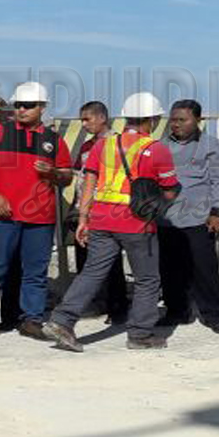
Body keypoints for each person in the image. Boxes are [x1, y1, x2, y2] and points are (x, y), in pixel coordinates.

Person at [46, 92, 180, 352]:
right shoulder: (156, 149)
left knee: (93, 272)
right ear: (151, 120)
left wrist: (84, 218)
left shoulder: (102, 146)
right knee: (147, 280)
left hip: (101, 219)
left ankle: (62, 320)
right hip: (137, 223)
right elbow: (170, 189)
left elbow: (88, 184)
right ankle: (140, 334)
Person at [0, 82, 73, 342]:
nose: (22, 110)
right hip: (3, 214)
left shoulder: (53, 140)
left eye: (28, 105)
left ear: (42, 107)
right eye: (19, 105)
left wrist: (54, 173)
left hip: (40, 217)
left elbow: (67, 176)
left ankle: (31, 320)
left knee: (35, 273)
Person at [156, 99, 219, 335]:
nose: (176, 124)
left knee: (204, 268)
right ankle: (177, 311)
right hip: (166, 218)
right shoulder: (160, 146)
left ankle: (213, 315)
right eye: (173, 119)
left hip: (199, 217)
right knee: (169, 267)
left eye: (182, 120)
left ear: (198, 121)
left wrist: (217, 212)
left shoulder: (212, 146)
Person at [71, 101, 129, 323]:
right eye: (82, 120)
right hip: (84, 211)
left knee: (111, 262)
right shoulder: (86, 147)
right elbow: (80, 176)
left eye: (88, 119)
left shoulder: (118, 144)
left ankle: (118, 308)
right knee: (85, 260)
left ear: (102, 118)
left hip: (108, 211)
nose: (84, 124)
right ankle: (93, 303)